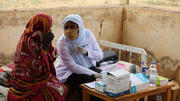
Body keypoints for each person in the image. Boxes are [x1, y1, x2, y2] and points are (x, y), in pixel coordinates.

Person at [8, 13, 66, 101]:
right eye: (48, 27)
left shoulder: (40, 38)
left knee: (61, 88)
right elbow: (37, 69)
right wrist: (45, 47)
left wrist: (47, 45)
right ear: (40, 28)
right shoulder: (27, 43)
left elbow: (53, 56)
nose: (50, 30)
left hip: (39, 77)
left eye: (50, 27)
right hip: (27, 79)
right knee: (57, 92)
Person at [56, 14, 103, 100]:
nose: (69, 30)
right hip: (69, 72)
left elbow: (100, 56)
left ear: (79, 26)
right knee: (88, 81)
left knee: (105, 78)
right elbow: (71, 66)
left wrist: (87, 52)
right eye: (66, 27)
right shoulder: (62, 42)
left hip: (88, 66)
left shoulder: (87, 34)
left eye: (73, 26)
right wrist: (93, 74)